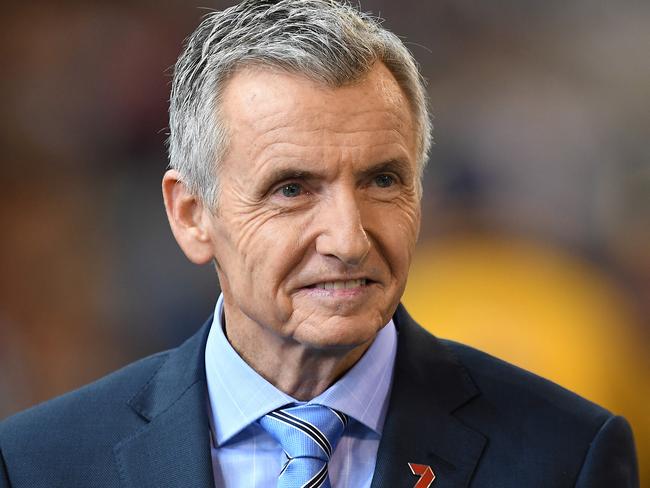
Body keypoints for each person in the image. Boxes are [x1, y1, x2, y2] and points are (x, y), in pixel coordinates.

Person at [0, 0, 639, 486]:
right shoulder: (39, 463)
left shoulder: (567, 455)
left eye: (383, 180)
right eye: (291, 189)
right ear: (192, 216)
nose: (348, 238)